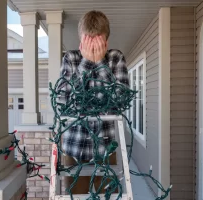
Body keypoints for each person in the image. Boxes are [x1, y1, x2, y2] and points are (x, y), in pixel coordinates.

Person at [58, 10, 129, 194]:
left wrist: (100, 65)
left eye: (97, 43)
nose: (92, 48)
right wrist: (87, 63)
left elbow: (120, 102)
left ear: (106, 41)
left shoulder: (115, 58)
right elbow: (67, 105)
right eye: (88, 43)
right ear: (81, 41)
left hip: (107, 150)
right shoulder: (71, 59)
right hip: (74, 150)